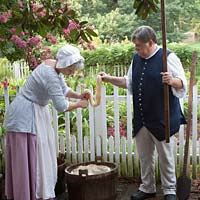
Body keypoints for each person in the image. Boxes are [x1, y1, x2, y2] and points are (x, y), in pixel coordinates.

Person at [99, 26, 187, 200]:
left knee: (166, 157)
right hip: (142, 119)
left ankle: (169, 190)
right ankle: (147, 187)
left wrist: (172, 80)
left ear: (151, 42)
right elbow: (129, 82)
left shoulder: (168, 57)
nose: (136, 49)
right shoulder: (136, 58)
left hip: (163, 119)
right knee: (145, 157)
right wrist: (108, 78)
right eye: (135, 46)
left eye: (139, 45)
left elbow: (182, 83)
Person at [3, 44, 90, 200]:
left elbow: (63, 89)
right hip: (25, 116)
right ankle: (27, 195)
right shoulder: (50, 74)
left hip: (34, 112)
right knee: (30, 158)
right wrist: (79, 104)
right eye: (70, 69)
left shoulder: (54, 66)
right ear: (64, 64)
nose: (71, 73)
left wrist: (78, 95)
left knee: (39, 155)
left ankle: (34, 193)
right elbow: (61, 106)